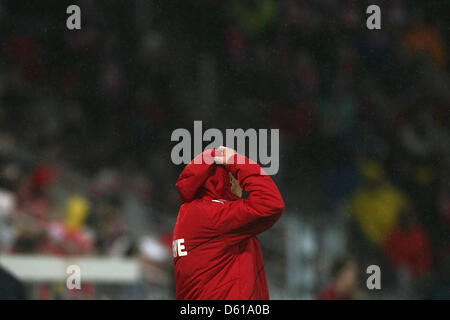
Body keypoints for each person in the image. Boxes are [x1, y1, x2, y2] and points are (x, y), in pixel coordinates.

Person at [172, 146, 284, 299]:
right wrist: (236, 160)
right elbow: (271, 204)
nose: (243, 185)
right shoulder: (212, 215)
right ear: (229, 179)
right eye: (238, 176)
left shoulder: (193, 213)